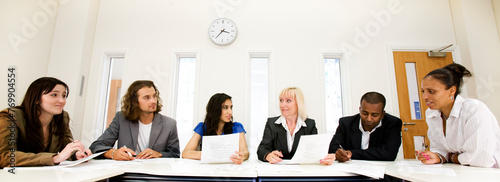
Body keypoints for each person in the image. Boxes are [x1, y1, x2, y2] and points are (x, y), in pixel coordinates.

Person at [416, 63, 500, 168]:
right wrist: (437, 156)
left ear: (451, 91)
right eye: (423, 91)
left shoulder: (473, 110)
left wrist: (451, 157)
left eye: (431, 91)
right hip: (460, 170)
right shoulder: (431, 114)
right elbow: (439, 148)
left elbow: (479, 158)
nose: (424, 96)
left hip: (489, 173)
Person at [0, 77, 91, 167]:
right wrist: (54, 158)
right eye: (54, 95)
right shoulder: (10, 117)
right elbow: (4, 156)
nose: (62, 101)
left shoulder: (62, 117)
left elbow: (65, 145)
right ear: (36, 99)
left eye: (64, 95)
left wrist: (76, 154)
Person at [90, 80, 180, 160]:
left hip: (155, 175)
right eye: (146, 98)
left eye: (154, 96)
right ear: (134, 101)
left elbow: (175, 155)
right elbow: (96, 146)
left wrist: (159, 154)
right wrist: (113, 153)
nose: (153, 101)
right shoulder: (121, 119)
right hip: (127, 172)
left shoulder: (169, 124)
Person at [257, 87, 335, 165]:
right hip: (278, 171)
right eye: (281, 100)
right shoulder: (271, 123)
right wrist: (268, 155)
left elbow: (314, 151)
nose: (282, 105)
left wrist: (326, 158)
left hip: (302, 172)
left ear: (298, 103)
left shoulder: (310, 124)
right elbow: (261, 149)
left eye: (288, 100)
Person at [328, 92, 402, 162]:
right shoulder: (346, 123)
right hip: (351, 169)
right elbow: (333, 149)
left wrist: (352, 153)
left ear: (382, 114)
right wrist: (339, 154)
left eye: (374, 115)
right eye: (364, 113)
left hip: (381, 170)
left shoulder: (393, 123)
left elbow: (389, 154)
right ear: (360, 110)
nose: (369, 119)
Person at [182, 93, 249, 164]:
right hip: (207, 170)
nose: (230, 112)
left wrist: (242, 157)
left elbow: (245, 152)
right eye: (225, 107)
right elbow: (185, 153)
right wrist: (211, 154)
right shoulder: (202, 127)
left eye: (231, 107)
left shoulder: (237, 127)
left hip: (230, 170)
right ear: (215, 109)